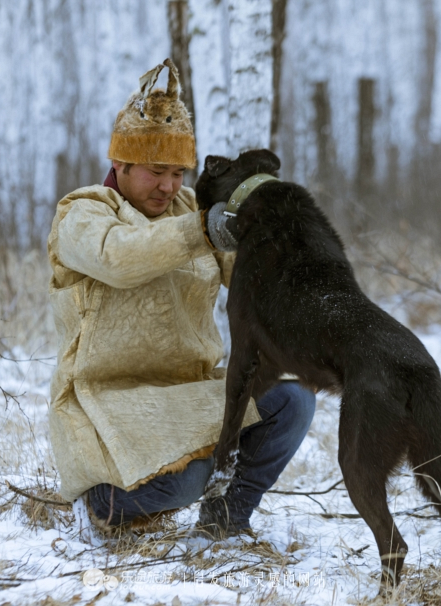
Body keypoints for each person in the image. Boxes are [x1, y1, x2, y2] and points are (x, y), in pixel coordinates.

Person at [46, 59, 315, 538]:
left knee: (292, 400)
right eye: (155, 172)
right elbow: (119, 257)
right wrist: (200, 230)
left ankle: (226, 519)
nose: (169, 186)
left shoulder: (195, 208)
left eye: (177, 173)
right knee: (189, 478)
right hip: (109, 405)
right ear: (120, 164)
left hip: (189, 398)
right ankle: (105, 503)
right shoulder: (82, 212)